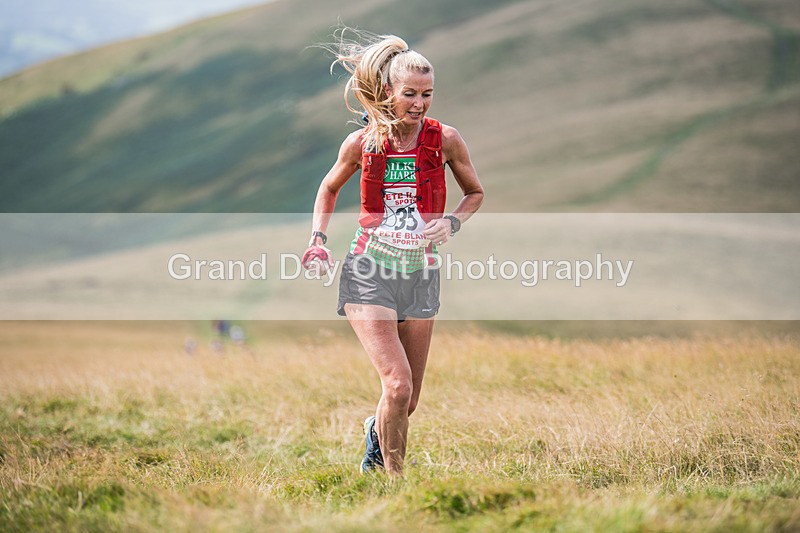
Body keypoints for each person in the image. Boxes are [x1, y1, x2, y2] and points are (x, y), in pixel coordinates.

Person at [302, 29, 484, 477]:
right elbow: (328, 188)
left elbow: (475, 192)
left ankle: (374, 433)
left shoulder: (446, 140)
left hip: (420, 273)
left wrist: (452, 220)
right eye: (410, 94)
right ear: (388, 92)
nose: (420, 103)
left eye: (428, 94)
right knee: (397, 386)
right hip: (369, 269)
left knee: (408, 402)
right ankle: (393, 484)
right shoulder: (362, 144)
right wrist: (318, 240)